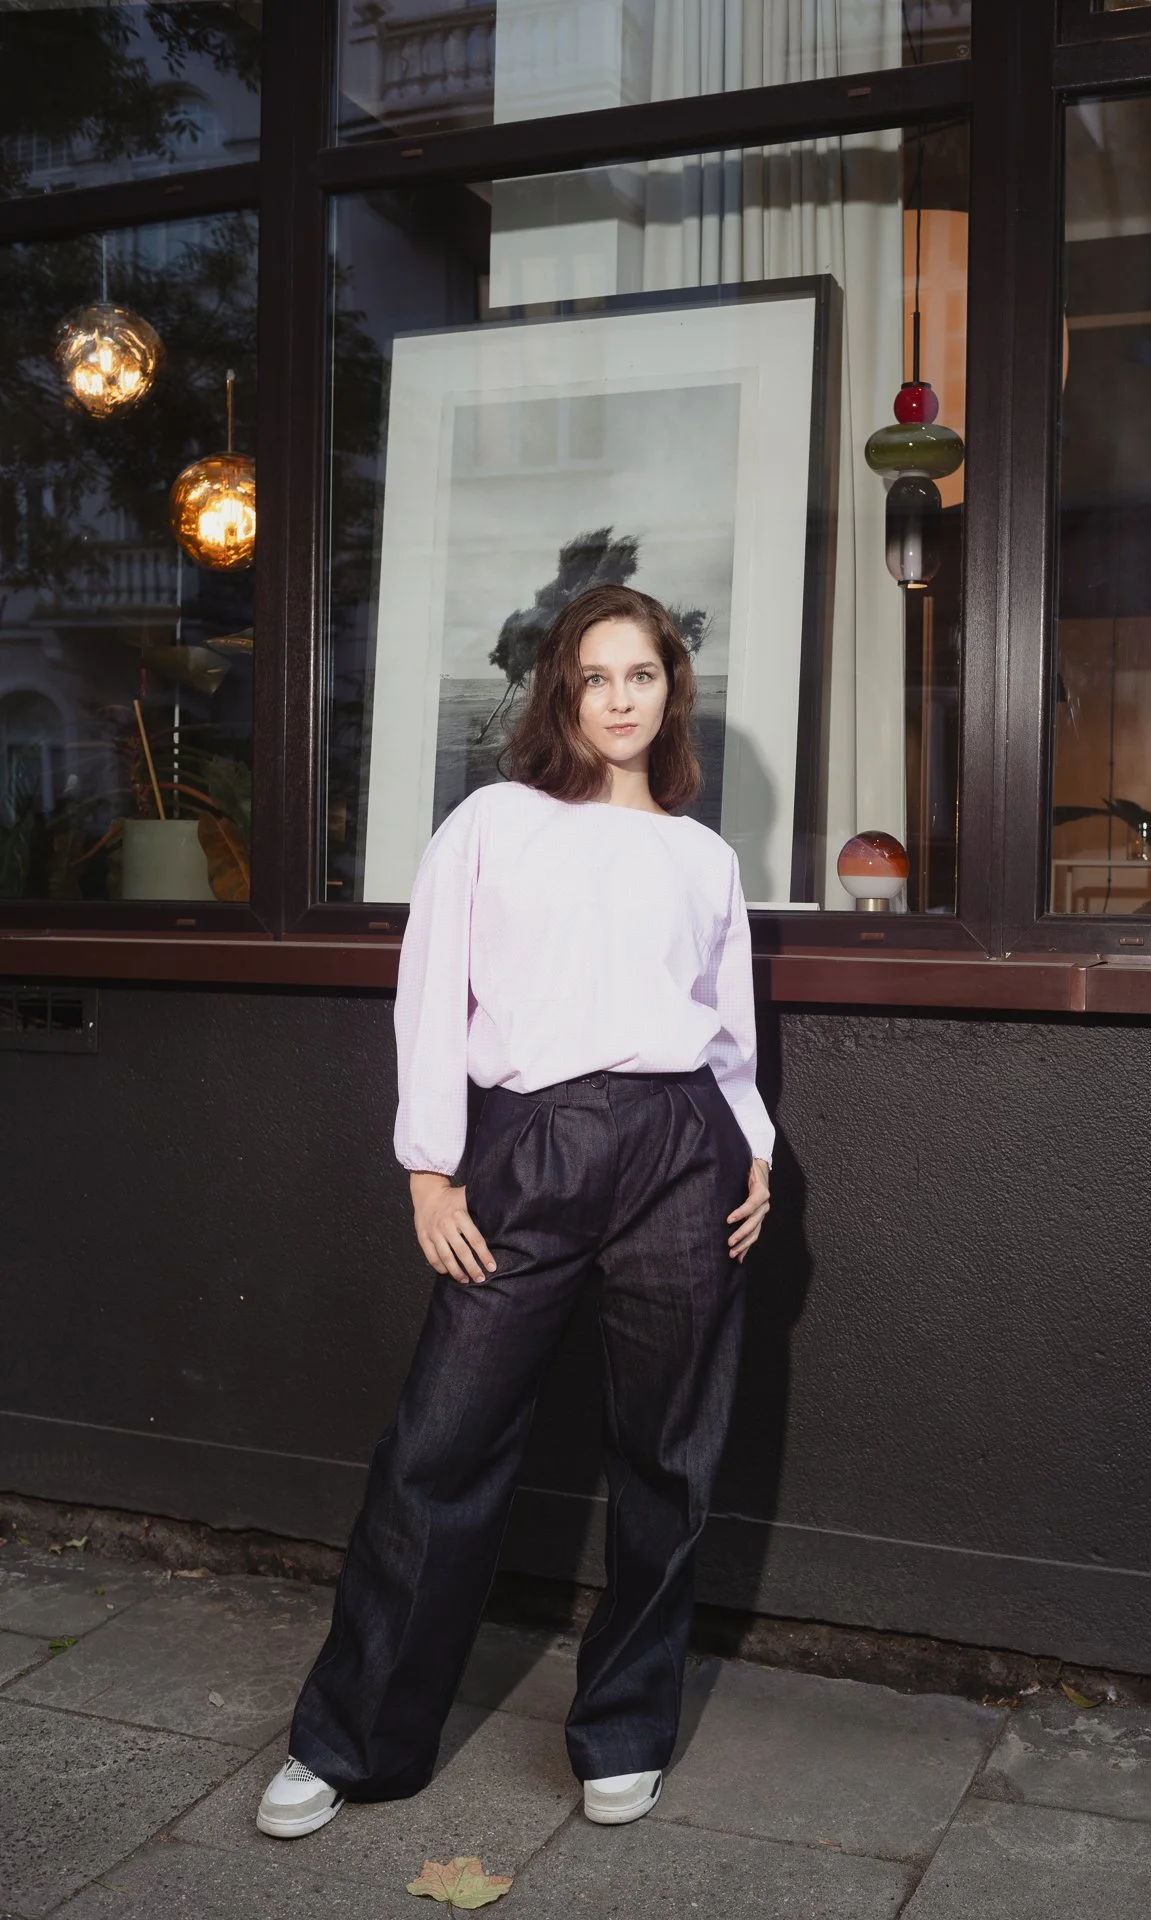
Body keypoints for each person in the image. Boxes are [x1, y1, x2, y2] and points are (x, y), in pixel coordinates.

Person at [255, 583, 775, 1840]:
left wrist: (752, 1152)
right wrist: (430, 1167)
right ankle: (352, 1741)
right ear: (563, 691)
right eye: (595, 677)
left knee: (668, 1454)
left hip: (681, 1151)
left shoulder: (703, 857)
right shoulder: (494, 821)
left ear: (670, 693)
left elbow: (727, 1033)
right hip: (531, 1145)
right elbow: (432, 990)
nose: (617, 699)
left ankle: (624, 1730)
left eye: (640, 676)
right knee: (439, 1445)